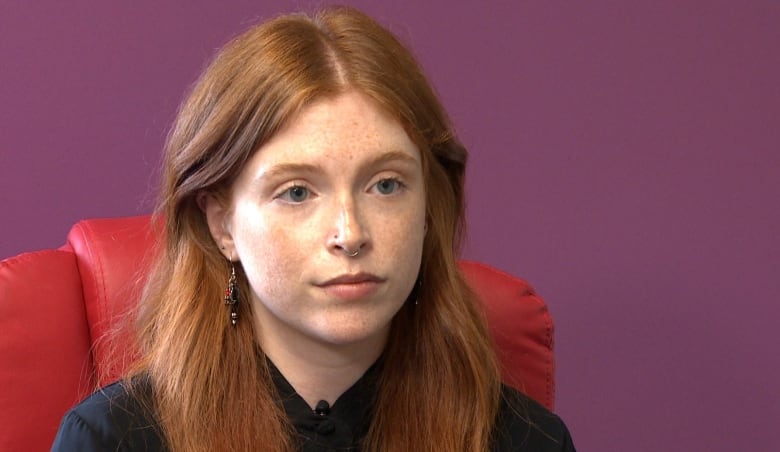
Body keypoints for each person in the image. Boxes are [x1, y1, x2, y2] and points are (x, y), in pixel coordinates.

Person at [52, 6, 574, 451]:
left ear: (429, 209)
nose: (350, 233)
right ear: (222, 224)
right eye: (297, 192)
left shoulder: (525, 438)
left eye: (386, 185)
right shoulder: (113, 438)